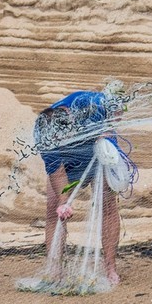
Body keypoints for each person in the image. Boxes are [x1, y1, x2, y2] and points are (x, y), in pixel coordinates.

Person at [35, 90, 123, 285]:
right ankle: (55, 271)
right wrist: (64, 203)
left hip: (99, 148)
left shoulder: (92, 105)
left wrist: (110, 127)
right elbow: (57, 173)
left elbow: (118, 106)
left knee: (106, 203)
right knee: (53, 209)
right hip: (67, 161)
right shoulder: (43, 134)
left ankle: (110, 269)